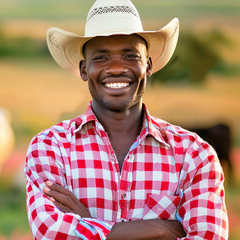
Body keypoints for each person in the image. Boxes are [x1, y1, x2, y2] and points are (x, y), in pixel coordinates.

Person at [24, 0, 229, 239]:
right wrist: (164, 229)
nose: (117, 68)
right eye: (101, 58)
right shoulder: (50, 147)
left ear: (148, 65)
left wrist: (86, 224)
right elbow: (50, 231)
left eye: (130, 55)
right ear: (83, 69)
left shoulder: (194, 154)